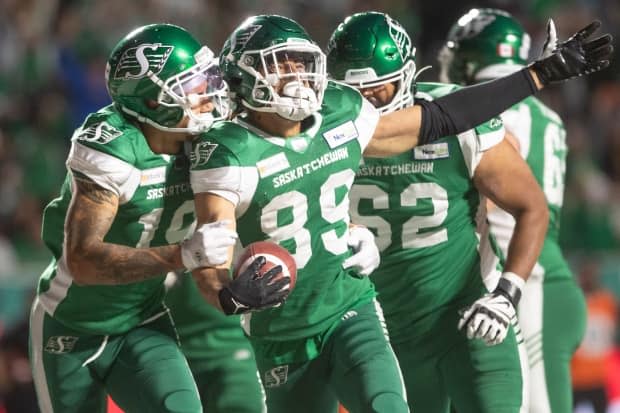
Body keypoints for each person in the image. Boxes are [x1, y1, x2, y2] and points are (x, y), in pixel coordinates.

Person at [187, 14, 612, 413]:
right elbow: (211, 247)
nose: (298, 79)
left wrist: (536, 76)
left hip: (413, 312)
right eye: (283, 66)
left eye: (302, 65)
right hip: (332, 325)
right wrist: (229, 293)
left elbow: (445, 119)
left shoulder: (345, 116)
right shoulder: (243, 145)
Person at [28, 23, 287, 413]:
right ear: (152, 100)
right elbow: (83, 260)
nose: (209, 94)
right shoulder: (114, 148)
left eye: (206, 78)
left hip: (142, 320)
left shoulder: (211, 143)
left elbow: (207, 253)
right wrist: (180, 255)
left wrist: (230, 297)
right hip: (68, 325)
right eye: (192, 85)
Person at [327, 11, 544, 413]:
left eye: (378, 90)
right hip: (384, 335)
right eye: (354, 94)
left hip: (470, 322)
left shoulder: (457, 119)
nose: (368, 105)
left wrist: (507, 293)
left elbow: (531, 206)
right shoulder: (323, 134)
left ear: (407, 77)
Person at [438, 8, 589, 413]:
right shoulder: (547, 115)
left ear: (469, 56)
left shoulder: (475, 112)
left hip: (530, 284)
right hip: (538, 278)